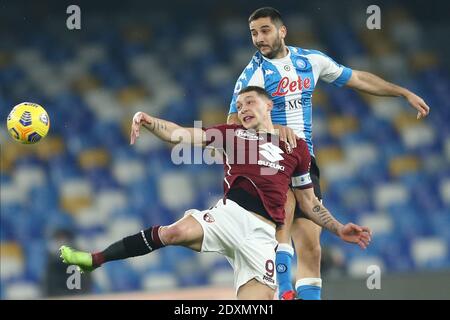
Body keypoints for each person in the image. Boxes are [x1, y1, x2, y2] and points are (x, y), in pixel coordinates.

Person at [60, 86, 371, 300]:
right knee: (173, 232)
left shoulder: (296, 147)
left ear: (268, 105)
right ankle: (95, 258)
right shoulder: (230, 135)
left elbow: (308, 202)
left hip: (262, 237)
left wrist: (338, 227)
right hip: (229, 216)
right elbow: (181, 134)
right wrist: (149, 120)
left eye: (250, 102)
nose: (243, 108)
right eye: (239, 106)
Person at [227, 7, 430, 300]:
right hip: (269, 159)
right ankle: (285, 292)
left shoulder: (311, 60)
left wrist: (402, 92)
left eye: (265, 30)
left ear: (282, 31)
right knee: (282, 219)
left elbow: (358, 78)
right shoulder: (252, 74)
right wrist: (271, 129)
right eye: (254, 33)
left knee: (311, 246)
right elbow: (233, 122)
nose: (259, 38)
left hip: (304, 160)